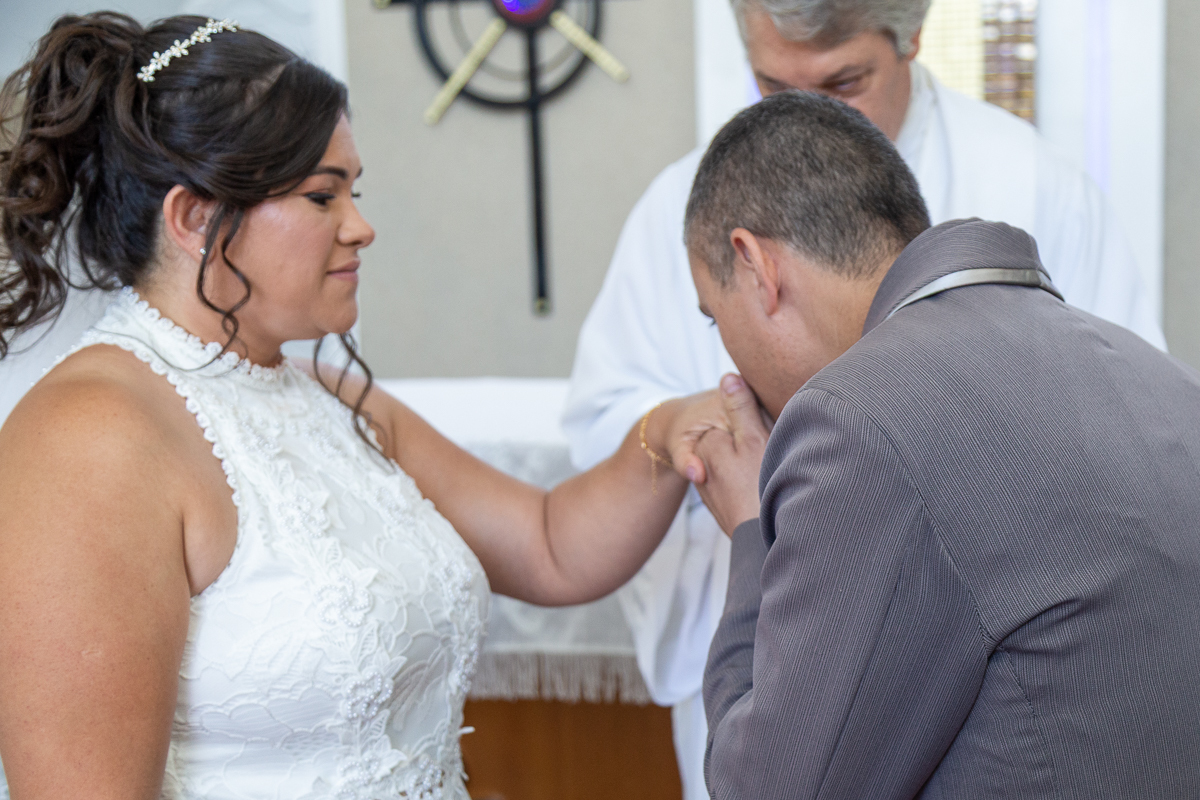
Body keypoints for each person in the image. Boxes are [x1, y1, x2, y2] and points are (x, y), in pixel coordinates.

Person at [0, 14, 721, 798]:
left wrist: (673, 428)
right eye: (322, 196)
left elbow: (550, 546)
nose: (362, 227)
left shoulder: (332, 396)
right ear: (195, 218)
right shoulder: (88, 440)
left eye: (355, 191)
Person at [561, 1, 1167, 794]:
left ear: (912, 38)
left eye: (844, 80)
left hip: (1001, 672)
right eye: (772, 84)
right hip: (772, 650)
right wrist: (692, 433)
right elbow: (602, 421)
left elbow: (1110, 436)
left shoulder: (1034, 181)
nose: (805, 115)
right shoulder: (686, 206)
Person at [687, 90, 1200, 798]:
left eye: (715, 318)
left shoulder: (857, 419)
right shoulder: (1161, 376)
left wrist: (750, 531)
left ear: (755, 266)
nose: (731, 362)